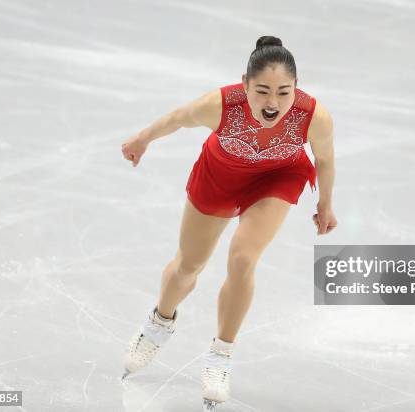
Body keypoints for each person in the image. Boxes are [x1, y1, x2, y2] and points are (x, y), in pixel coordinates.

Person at [119, 35, 337, 409]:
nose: (273, 103)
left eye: (284, 93)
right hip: (218, 178)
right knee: (188, 266)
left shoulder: (313, 116)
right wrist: (142, 139)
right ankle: (160, 321)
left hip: (277, 178)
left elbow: (325, 160)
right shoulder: (220, 105)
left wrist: (326, 206)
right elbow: (177, 118)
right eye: (263, 91)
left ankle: (220, 354)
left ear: (296, 89)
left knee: (242, 258)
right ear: (245, 84)